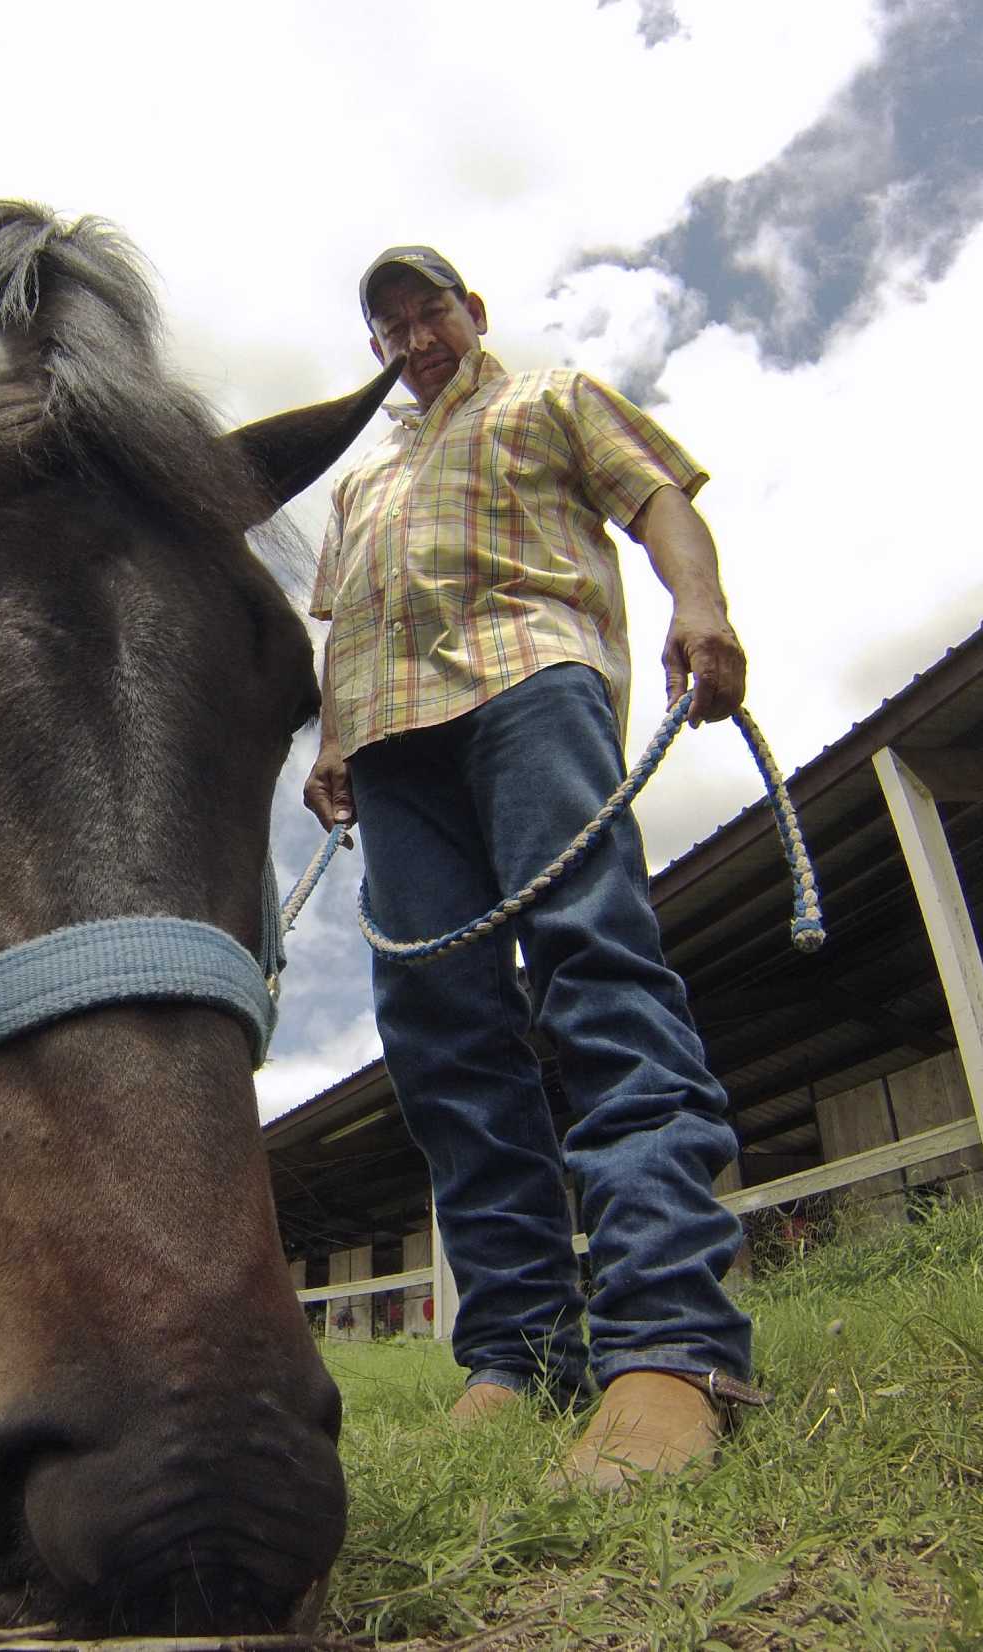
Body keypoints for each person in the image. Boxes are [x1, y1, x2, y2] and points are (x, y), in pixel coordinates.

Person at [303, 245, 766, 1492]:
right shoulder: (361, 485)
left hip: (529, 684)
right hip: (393, 750)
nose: (412, 334)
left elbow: (658, 497)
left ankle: (672, 1343)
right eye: (388, 325)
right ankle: (518, 1350)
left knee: (592, 965)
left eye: (428, 309)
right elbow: (342, 621)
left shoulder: (549, 395)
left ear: (473, 312)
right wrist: (334, 741)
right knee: (443, 1036)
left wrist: (701, 604)